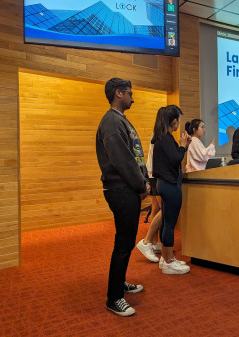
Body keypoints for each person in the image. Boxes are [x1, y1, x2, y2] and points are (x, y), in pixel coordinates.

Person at [96, 77, 150, 317]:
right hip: (121, 189)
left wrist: (144, 180)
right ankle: (113, 297)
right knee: (123, 243)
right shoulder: (110, 122)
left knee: (127, 242)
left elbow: (136, 155)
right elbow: (123, 161)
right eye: (129, 93)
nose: (132, 97)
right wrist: (141, 185)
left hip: (129, 188)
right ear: (118, 93)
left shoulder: (121, 120)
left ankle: (120, 283)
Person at [152, 105, 191, 274]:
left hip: (166, 184)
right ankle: (168, 261)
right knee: (169, 224)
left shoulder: (163, 137)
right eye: (178, 121)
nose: (179, 124)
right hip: (169, 185)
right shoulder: (165, 138)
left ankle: (166, 258)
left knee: (167, 223)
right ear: (174, 121)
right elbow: (176, 159)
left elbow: (174, 156)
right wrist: (182, 146)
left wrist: (184, 146)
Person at [136, 109, 165, 263]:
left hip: (152, 175)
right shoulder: (160, 136)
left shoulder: (157, 134)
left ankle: (154, 243)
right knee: (165, 210)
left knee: (156, 208)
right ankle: (147, 241)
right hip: (156, 176)